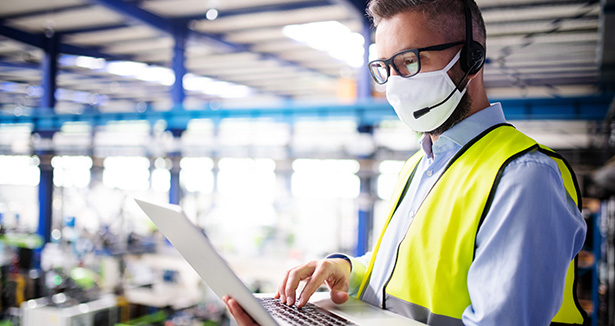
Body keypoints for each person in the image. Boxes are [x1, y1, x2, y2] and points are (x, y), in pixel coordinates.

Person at [224, 0, 588, 325]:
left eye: (409, 62)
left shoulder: (522, 177)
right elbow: (401, 271)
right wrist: (343, 269)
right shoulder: (418, 164)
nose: (394, 85)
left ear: (471, 59)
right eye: (385, 68)